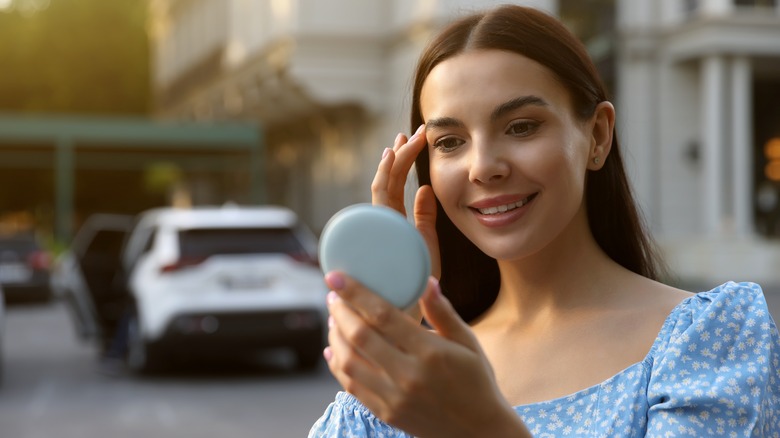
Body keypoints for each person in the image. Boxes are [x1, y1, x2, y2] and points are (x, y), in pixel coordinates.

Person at [308, 5, 780, 437]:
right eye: (450, 141)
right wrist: (400, 332)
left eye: (521, 127)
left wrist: (482, 427)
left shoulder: (710, 338)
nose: (483, 166)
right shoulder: (413, 376)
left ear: (597, 136)